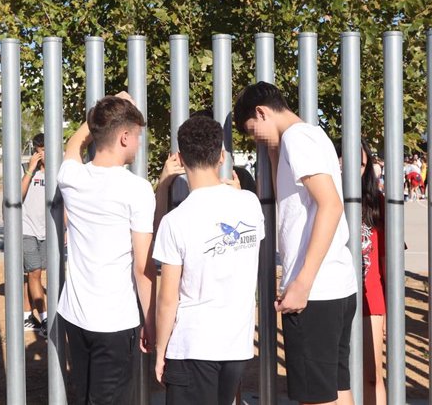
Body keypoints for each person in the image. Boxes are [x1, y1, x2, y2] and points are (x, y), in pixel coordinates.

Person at [233, 82, 357, 405]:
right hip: (336, 287)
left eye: (252, 130)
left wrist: (302, 282)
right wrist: (274, 155)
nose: (255, 140)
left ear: (261, 112)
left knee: (316, 398)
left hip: (314, 291)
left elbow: (330, 205)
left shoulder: (296, 139)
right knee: (336, 389)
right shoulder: (311, 136)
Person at [154, 115, 264, 405]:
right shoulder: (250, 204)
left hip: (192, 344)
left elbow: (167, 298)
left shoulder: (175, 220)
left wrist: (160, 350)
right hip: (235, 346)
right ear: (222, 156)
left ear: (180, 158)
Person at [57, 93, 156, 403]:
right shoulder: (136, 189)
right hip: (114, 322)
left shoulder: (71, 177)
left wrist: (103, 112)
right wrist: (151, 322)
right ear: (125, 137)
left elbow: (72, 146)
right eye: (137, 136)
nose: (139, 144)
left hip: (75, 317)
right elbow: (143, 267)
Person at [359, 139, 386, 405]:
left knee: (371, 374)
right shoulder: (323, 200)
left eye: (361, 163)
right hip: (335, 297)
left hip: (371, 299)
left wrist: (387, 309)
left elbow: (387, 260)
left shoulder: (377, 203)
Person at [21, 133, 48, 337]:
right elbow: (17, 196)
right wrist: (30, 168)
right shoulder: (27, 172)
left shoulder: (56, 173)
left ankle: (27, 316)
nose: (43, 154)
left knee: (33, 276)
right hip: (26, 229)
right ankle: (46, 319)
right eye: (40, 150)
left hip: (46, 231)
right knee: (35, 273)